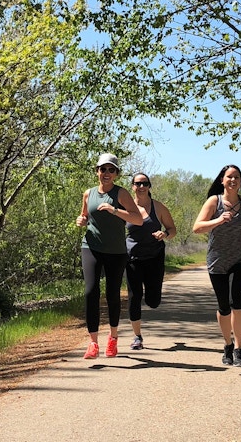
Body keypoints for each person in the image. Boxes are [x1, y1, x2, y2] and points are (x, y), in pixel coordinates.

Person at [76, 153, 143, 359]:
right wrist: (81, 220)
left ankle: (113, 338)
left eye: (111, 170)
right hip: (91, 247)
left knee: (112, 294)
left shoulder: (121, 194)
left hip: (115, 251)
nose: (106, 173)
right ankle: (93, 343)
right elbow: (85, 216)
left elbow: (138, 219)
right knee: (90, 292)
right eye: (102, 169)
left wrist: (115, 210)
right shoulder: (88, 193)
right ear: (97, 171)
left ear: (116, 174)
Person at [192, 165, 241, 367]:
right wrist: (218, 220)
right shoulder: (214, 201)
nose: (233, 180)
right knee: (224, 306)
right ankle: (227, 344)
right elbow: (197, 227)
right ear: (222, 180)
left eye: (237, 177)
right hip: (218, 259)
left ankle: (239, 348)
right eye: (229, 177)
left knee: (238, 300)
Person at [126, 172, 177, 350]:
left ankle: (153, 295)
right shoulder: (125, 207)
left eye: (145, 183)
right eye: (137, 183)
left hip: (154, 257)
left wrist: (165, 234)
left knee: (153, 300)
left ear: (149, 186)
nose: (141, 187)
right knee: (134, 297)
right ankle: (137, 337)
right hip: (132, 257)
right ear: (132, 186)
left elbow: (172, 229)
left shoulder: (159, 208)